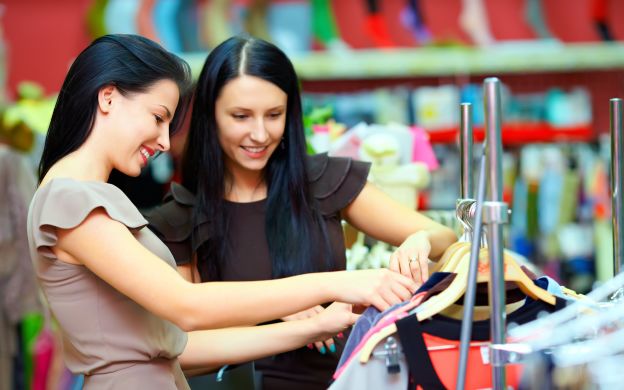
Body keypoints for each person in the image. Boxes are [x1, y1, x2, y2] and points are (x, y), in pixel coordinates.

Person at [26, 34, 421, 390]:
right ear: (108, 97)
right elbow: (188, 305)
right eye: (159, 117)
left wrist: (315, 326)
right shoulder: (71, 201)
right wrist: (335, 283)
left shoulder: (86, 199)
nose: (165, 141)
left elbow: (176, 343)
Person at [146, 35, 458, 389]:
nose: (260, 134)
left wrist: (419, 239)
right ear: (210, 116)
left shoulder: (321, 181)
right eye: (241, 116)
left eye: (274, 115)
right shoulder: (179, 218)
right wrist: (280, 308)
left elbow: (445, 239)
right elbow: (181, 347)